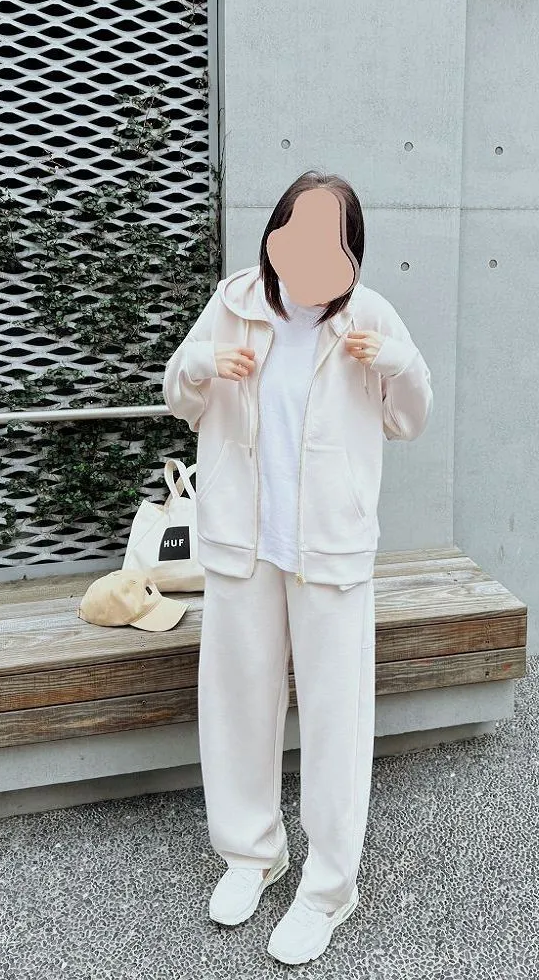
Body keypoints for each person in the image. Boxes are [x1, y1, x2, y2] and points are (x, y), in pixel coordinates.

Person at [162, 169, 432, 965]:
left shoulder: (370, 315)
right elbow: (179, 396)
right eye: (299, 230)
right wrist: (205, 364)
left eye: (330, 236)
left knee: (335, 717)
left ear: (350, 247)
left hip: (331, 547)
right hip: (243, 541)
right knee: (237, 700)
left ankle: (328, 889)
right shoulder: (235, 300)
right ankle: (252, 854)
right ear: (276, 234)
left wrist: (396, 361)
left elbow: (410, 419)